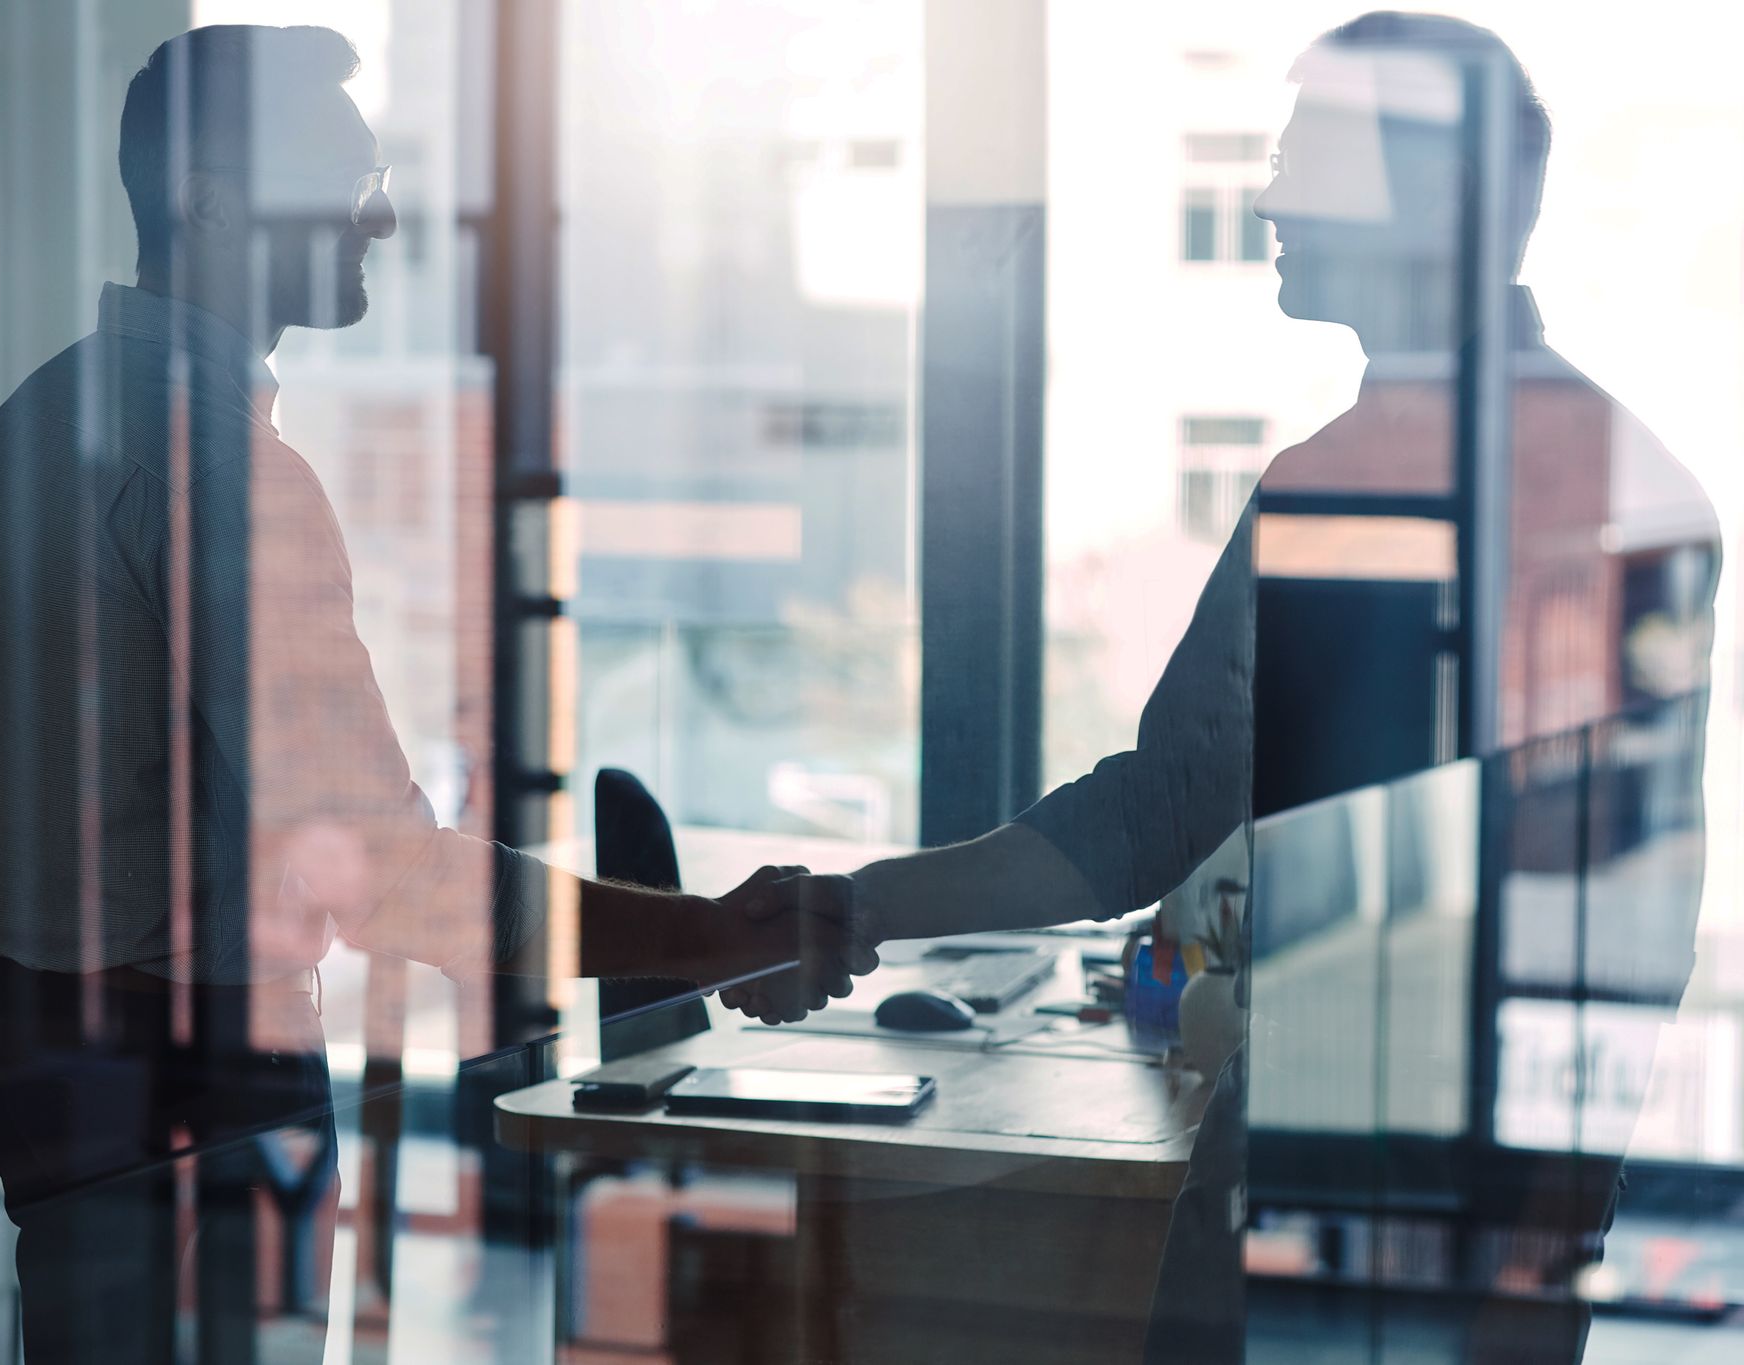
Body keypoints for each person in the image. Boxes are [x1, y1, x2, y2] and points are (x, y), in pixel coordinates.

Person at [730, 13, 1718, 1363]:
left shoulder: (1509, 489)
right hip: (1388, 1185)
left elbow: (1612, 905)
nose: (1267, 194)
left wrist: (1536, 1234)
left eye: (1307, 152)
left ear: (1426, 191)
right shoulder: (1562, 475)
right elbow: (1166, 814)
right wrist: (852, 907)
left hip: (1407, 1206)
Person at [0, 25, 855, 1363]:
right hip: (191, 1078)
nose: (383, 214)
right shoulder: (222, 473)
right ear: (209, 203)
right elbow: (389, 874)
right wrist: (710, 936)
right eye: (345, 181)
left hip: (44, 1049)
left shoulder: (16, 433)